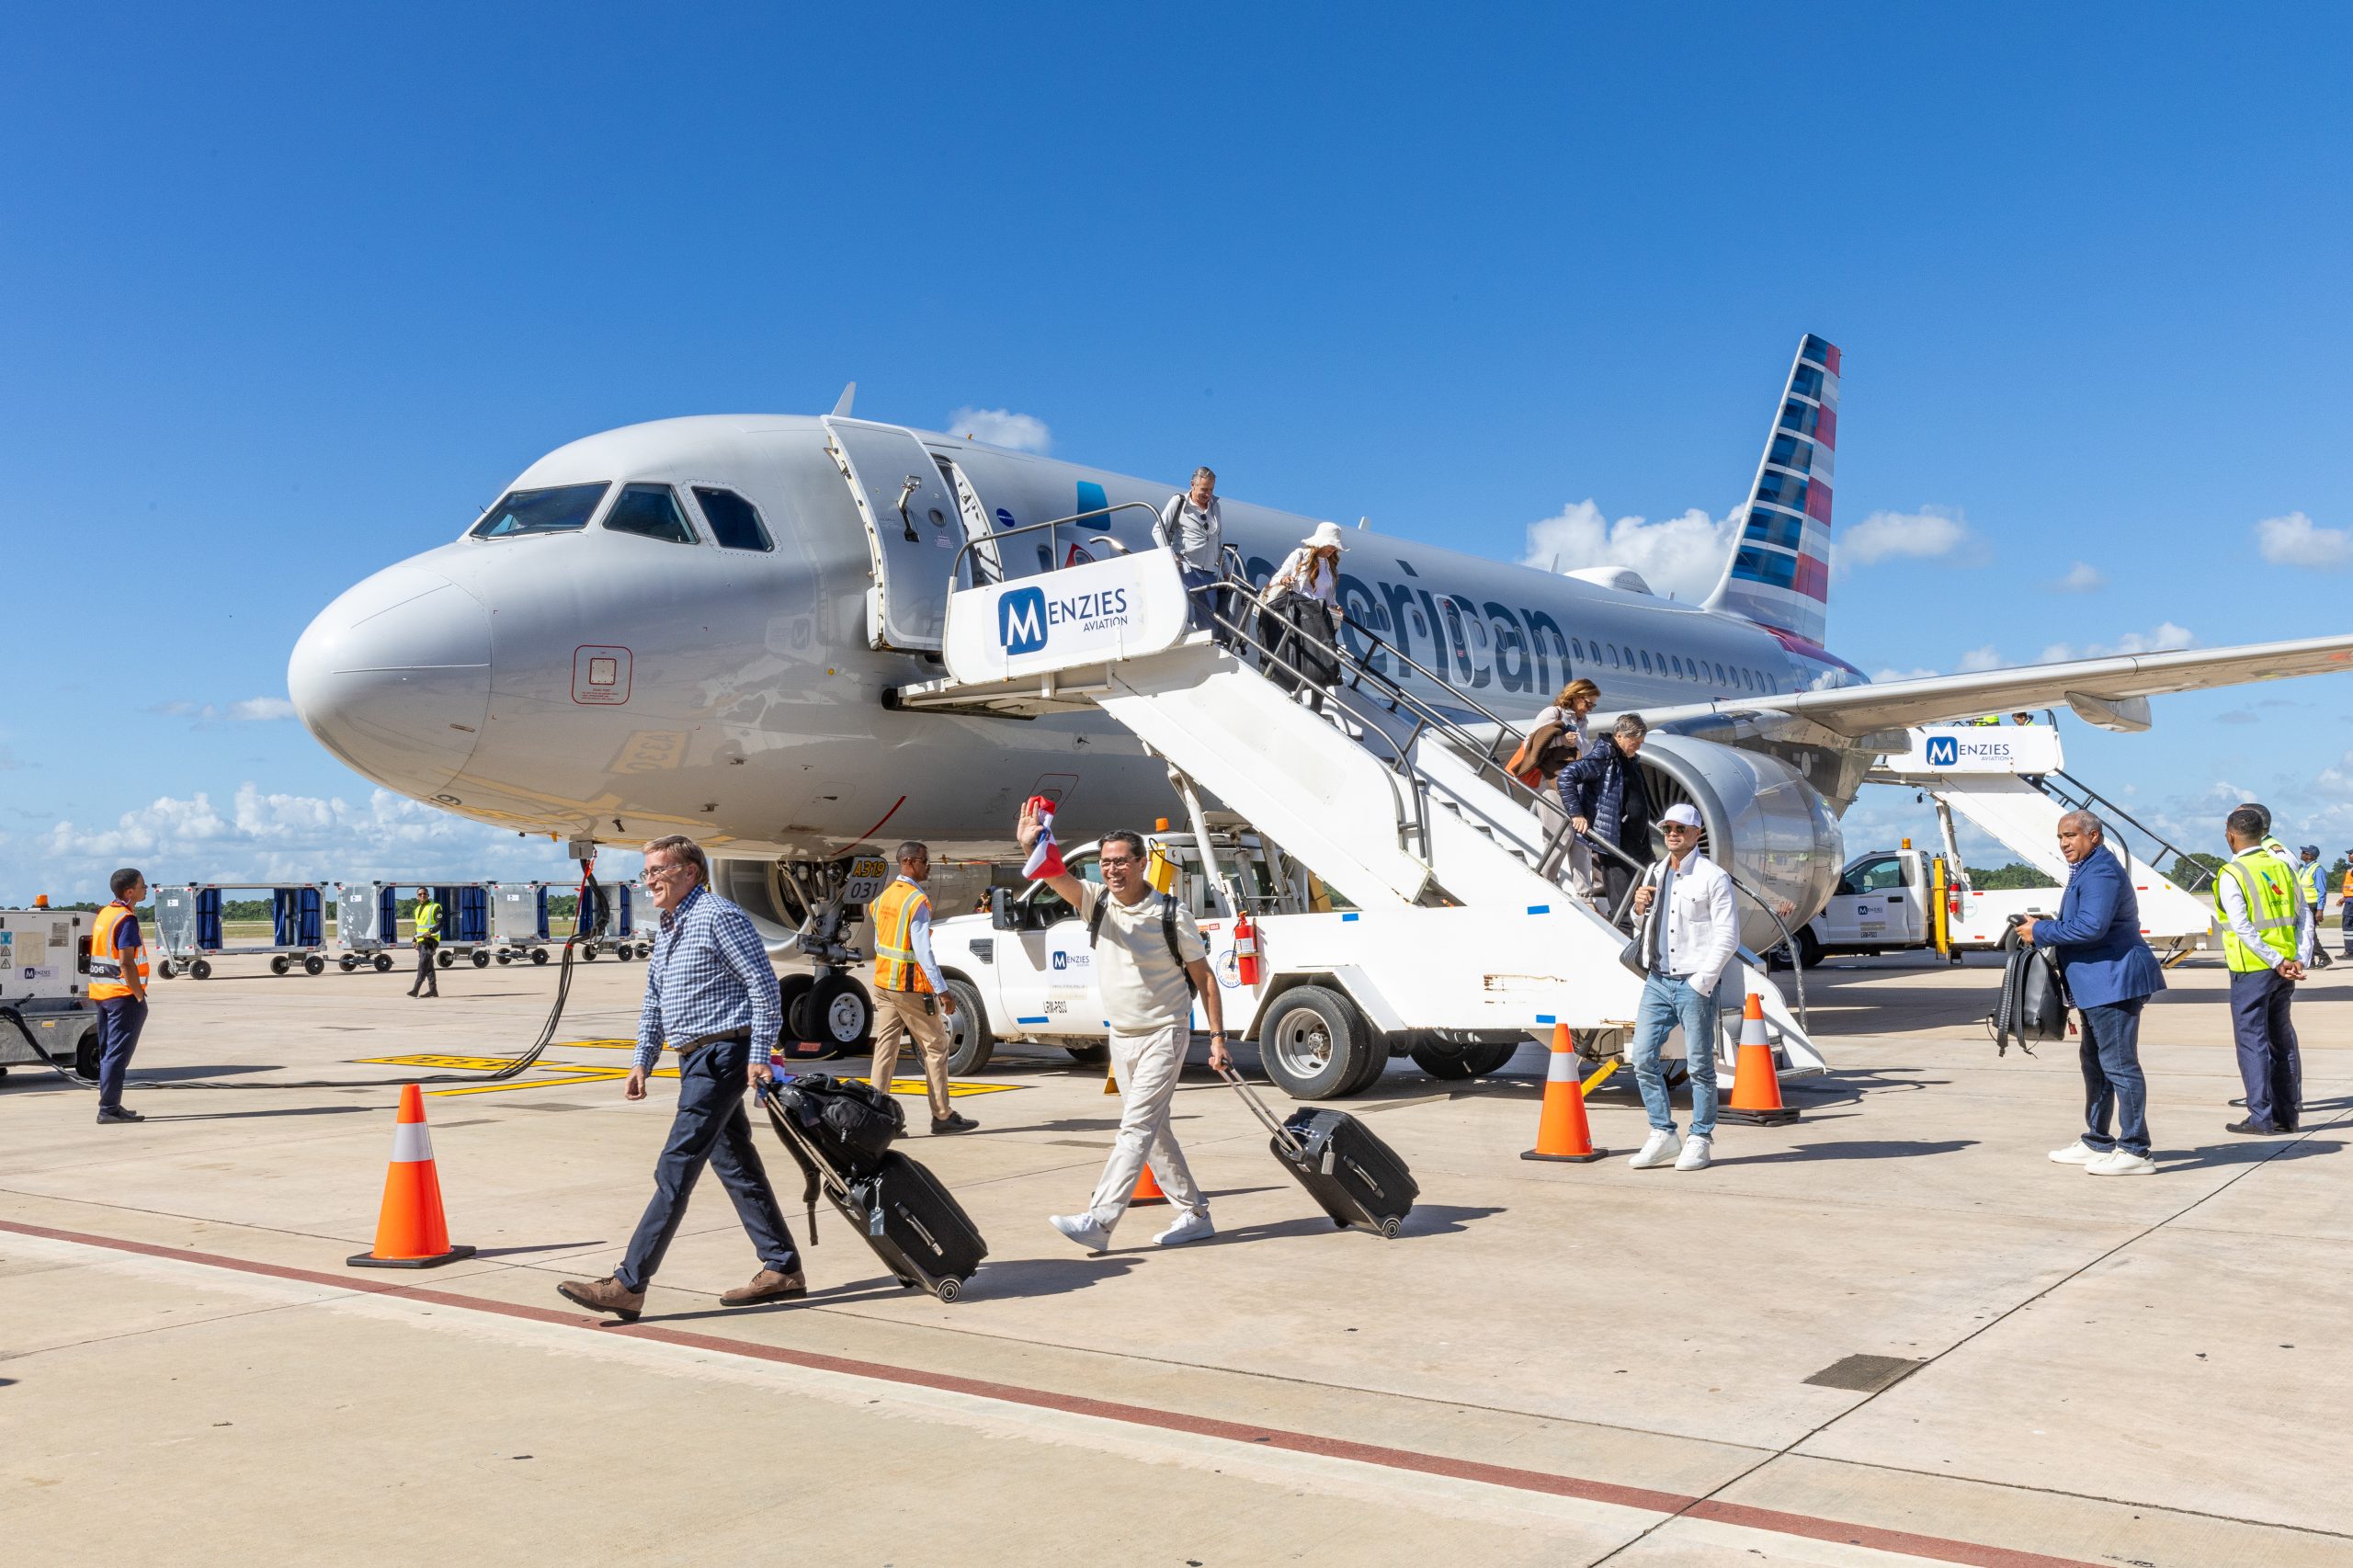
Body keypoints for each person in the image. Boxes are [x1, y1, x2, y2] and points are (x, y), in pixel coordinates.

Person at [559, 835, 804, 1320]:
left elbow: (763, 985)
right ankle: (782, 1266)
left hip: (723, 1054)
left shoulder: (718, 916)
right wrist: (642, 1060)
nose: (649, 879)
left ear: (690, 872)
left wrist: (759, 1054)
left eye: (658, 870)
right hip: (693, 1058)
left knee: (676, 1166)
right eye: (646, 871)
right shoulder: (670, 925)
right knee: (735, 1165)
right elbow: (655, 999)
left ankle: (629, 1282)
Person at [1017, 802, 1228, 1252]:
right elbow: (1054, 875)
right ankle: (1195, 1214)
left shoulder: (1171, 914)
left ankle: (1099, 1220)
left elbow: (1205, 978)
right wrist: (1032, 844)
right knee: (1154, 1131)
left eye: (1121, 861)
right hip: (1122, 1036)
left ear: (1141, 863)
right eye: (1105, 862)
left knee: (1134, 1129)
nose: (1112, 870)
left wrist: (1216, 1037)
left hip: (1163, 1033)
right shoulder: (1096, 901)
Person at [2018, 811, 2165, 1175]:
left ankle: (2136, 1150)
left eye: (2070, 835)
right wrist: (2044, 926)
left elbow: (2091, 927)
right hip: (2097, 984)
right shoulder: (2087, 868)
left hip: (2113, 981)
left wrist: (2041, 932)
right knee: (2095, 1063)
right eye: (2060, 837)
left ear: (2094, 836)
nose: (2064, 843)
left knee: (2119, 1065)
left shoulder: (2100, 871)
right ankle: (2097, 1140)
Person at [1623, 804, 1735, 1172]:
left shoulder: (1713, 877)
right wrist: (1637, 908)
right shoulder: (1655, 871)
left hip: (1693, 982)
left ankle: (1700, 1137)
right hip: (1657, 980)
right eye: (1667, 828)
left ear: (1696, 834)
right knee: (1642, 1058)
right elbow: (1644, 925)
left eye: (1680, 828)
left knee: (1700, 1066)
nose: (1672, 833)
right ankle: (1662, 1133)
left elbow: (1728, 936)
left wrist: (1703, 982)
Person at [2211, 807, 2311, 1137]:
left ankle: (2260, 1117)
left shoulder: (2232, 873)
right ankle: (2287, 1116)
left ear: (2230, 835)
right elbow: (2303, 918)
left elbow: (2242, 926)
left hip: (2253, 969)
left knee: (2252, 1043)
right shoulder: (2283, 867)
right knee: (2281, 1042)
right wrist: (2298, 958)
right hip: (2285, 969)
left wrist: (2274, 959)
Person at [868, 840, 976, 1136]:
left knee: (886, 1048)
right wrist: (942, 990)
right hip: (908, 985)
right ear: (909, 862)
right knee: (936, 1045)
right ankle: (942, 1115)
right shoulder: (916, 901)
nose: (929, 866)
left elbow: (879, 944)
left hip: (883, 983)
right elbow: (923, 952)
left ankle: (877, 1117)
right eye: (925, 861)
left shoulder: (883, 898)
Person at [1560, 712, 1654, 917]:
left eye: (1641, 743)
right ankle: (1622, 936)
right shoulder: (1604, 756)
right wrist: (1576, 814)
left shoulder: (1628, 758)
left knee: (1651, 892)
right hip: (1617, 843)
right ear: (1620, 736)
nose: (1638, 747)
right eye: (1635, 742)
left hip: (1640, 842)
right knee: (1623, 904)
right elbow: (1567, 776)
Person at [1259, 522, 1347, 712]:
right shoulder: (1300, 555)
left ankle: (1316, 707)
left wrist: (1335, 605)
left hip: (1321, 618)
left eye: (1335, 547)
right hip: (1301, 615)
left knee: (1323, 661)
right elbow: (1275, 579)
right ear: (1320, 542)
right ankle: (1293, 698)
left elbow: (1328, 597)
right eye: (1330, 545)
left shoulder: (1330, 566)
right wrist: (1285, 580)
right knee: (1300, 657)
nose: (1332, 550)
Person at [86, 868, 151, 1125]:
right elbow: (126, 962)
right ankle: (109, 1109)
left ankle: (110, 1104)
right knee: (117, 1055)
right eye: (142, 885)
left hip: (102, 994)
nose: (146, 889)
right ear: (129, 891)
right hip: (123, 996)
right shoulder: (126, 919)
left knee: (108, 1053)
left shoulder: (106, 914)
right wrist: (138, 995)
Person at [1154, 466, 1228, 641]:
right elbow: (1158, 530)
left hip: (1208, 572)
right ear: (1192, 485)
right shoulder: (1179, 502)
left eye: (1211, 489)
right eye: (1204, 489)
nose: (1208, 494)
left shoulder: (1215, 507)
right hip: (1186, 568)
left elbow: (1217, 541)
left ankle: (1208, 654)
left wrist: (1226, 569)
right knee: (1187, 616)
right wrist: (1170, 556)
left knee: (1210, 625)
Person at [407, 888, 441, 999]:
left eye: (424, 894)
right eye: (420, 894)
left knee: (422, 964)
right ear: (417, 897)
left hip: (431, 940)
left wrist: (431, 931)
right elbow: (419, 926)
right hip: (421, 941)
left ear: (428, 895)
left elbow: (440, 923)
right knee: (428, 966)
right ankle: (433, 990)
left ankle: (415, 989)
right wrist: (414, 939)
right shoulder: (417, 909)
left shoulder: (435, 907)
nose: (422, 896)